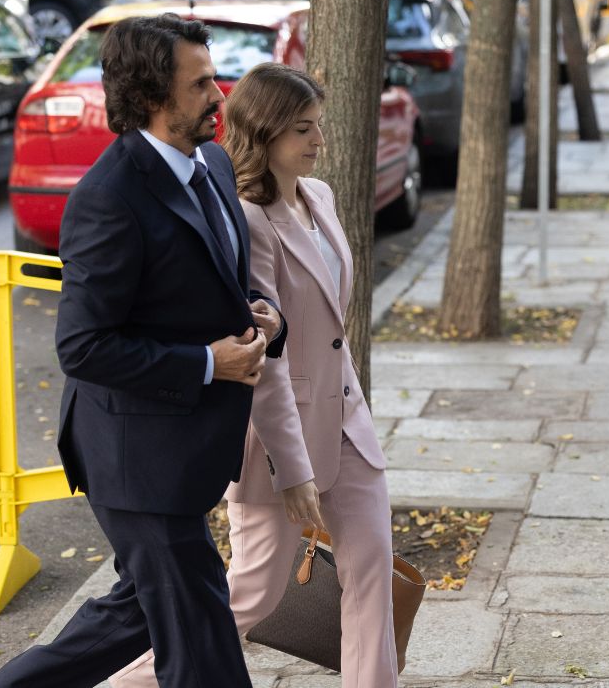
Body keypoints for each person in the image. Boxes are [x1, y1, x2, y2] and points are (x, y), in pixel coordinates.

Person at [0, 13, 286, 688]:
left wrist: (263, 314)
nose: (219, 96)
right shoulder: (108, 197)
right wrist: (209, 362)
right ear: (150, 97)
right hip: (134, 457)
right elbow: (83, 346)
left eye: (214, 78)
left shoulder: (214, 163)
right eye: (200, 85)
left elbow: (225, 278)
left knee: (141, 606)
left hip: (186, 448)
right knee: (200, 630)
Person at [108, 63, 397, 688]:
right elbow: (264, 357)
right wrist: (293, 471)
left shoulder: (319, 197)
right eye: (301, 129)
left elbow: (331, 327)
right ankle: (123, 684)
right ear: (264, 132)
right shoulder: (246, 218)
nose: (318, 140)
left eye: (318, 125)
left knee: (374, 574)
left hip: (347, 422)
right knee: (250, 596)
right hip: (279, 439)